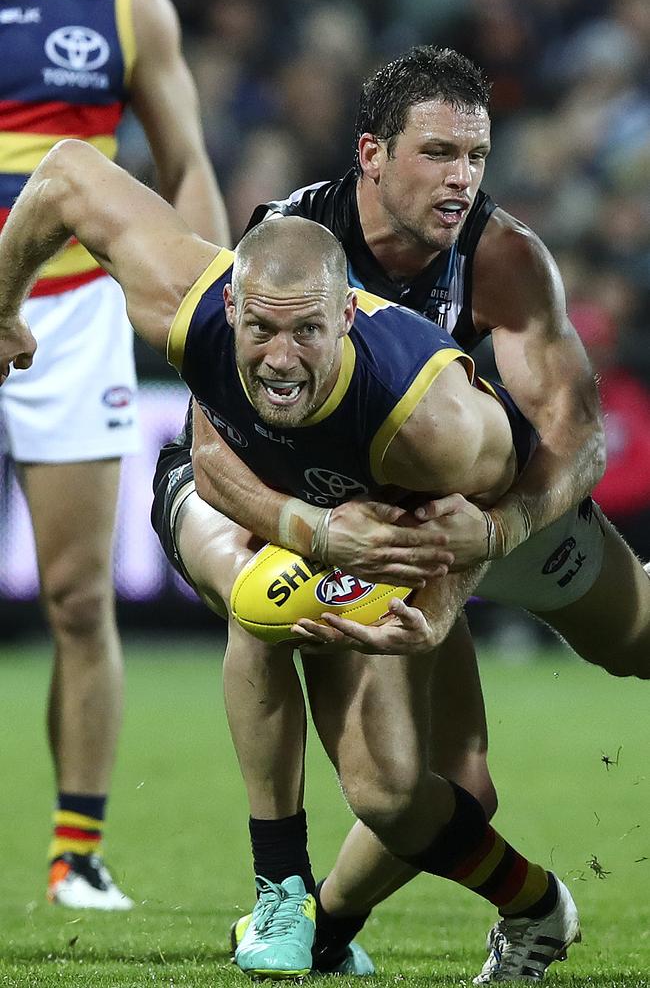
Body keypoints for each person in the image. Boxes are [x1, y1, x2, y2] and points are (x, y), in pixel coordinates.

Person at [0, 149, 595, 982]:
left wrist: (437, 605)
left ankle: (535, 903)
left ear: (348, 317)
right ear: (231, 305)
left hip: (377, 527)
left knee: (390, 795)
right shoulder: (184, 298)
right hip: (232, 498)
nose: (280, 359)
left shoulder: (433, 419)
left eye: (307, 331)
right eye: (260, 329)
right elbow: (64, 174)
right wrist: (3, 308)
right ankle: (280, 883)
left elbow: (499, 503)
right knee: (261, 594)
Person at [0, 0, 230, 910]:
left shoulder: (131, 8)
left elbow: (186, 166)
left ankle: (76, 856)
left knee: (78, 593)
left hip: (75, 313)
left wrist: (219, 320)